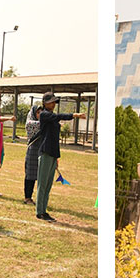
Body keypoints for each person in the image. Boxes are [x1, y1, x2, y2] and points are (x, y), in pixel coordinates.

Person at [35, 93, 85, 222]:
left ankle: (44, 210)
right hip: (45, 152)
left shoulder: (52, 117)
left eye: (54, 102)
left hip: (52, 153)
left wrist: (57, 157)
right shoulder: (45, 114)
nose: (53, 104)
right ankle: (40, 212)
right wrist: (74, 115)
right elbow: (59, 116)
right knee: (42, 184)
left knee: (48, 185)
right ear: (44, 103)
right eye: (51, 102)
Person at [23, 102, 43, 204]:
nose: (40, 114)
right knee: (30, 175)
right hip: (32, 151)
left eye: (41, 112)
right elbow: (39, 125)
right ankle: (27, 197)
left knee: (37, 175)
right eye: (38, 113)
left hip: (40, 150)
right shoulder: (30, 123)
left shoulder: (43, 123)